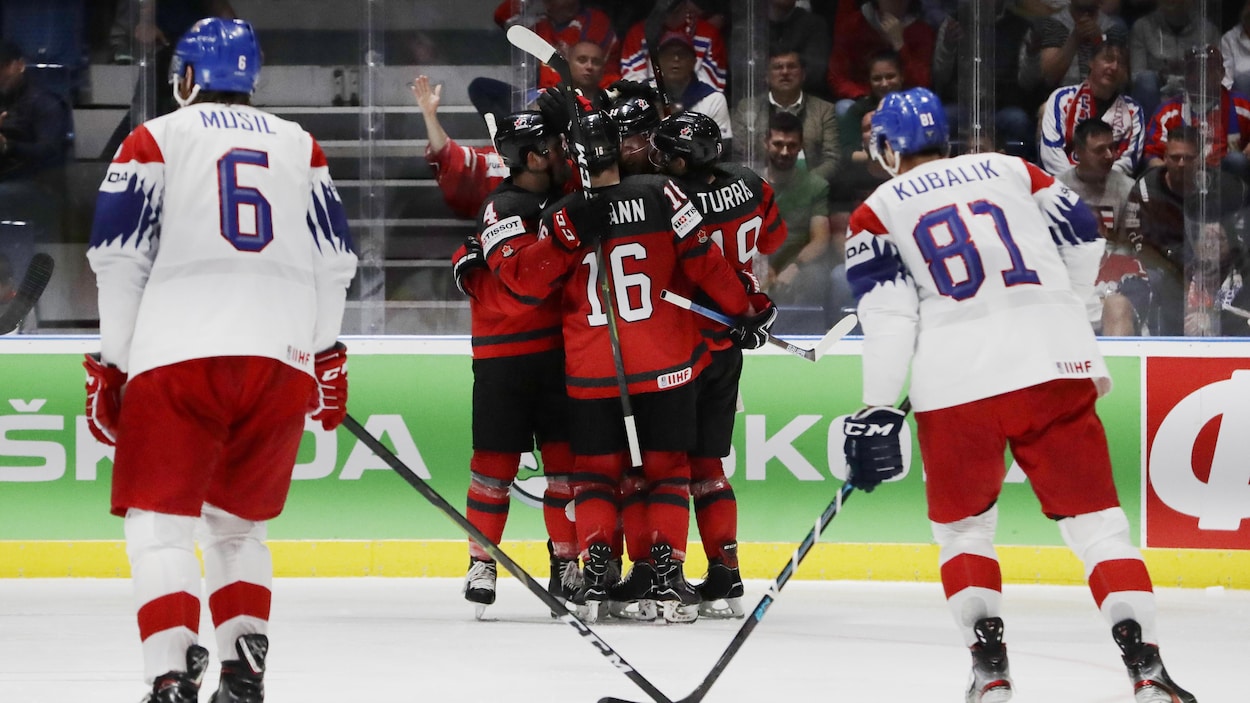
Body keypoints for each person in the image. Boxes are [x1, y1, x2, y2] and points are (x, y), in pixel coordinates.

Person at [842, 87, 1197, 702]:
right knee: (1099, 530)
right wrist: (1074, 304)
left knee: (965, 534)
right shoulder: (1011, 168)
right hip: (1054, 363)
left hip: (955, 384)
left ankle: (991, 670)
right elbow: (1084, 230)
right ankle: (1146, 669)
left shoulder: (876, 210)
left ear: (890, 148)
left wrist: (877, 407)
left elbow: (891, 320)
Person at [84, 18, 357, 703]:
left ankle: (172, 669)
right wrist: (325, 355)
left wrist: (112, 364)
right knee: (238, 525)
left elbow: (119, 255)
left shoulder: (155, 138)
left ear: (186, 77)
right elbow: (336, 262)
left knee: (159, 521)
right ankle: (243, 657)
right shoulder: (303, 146)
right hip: (281, 358)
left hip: (178, 351)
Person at [493, 109, 775, 623]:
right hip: (667, 362)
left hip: (592, 368)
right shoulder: (662, 194)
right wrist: (746, 311)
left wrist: (558, 235)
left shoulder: (561, 211)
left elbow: (527, 284)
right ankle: (667, 570)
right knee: (668, 473)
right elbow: (706, 262)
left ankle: (598, 563)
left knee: (596, 474)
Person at [649, 110, 787, 618]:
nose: (659, 158)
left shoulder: (668, 197)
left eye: (668, 151)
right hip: (732, 337)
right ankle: (725, 569)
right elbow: (771, 240)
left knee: (669, 467)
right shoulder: (752, 183)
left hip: (683, 343)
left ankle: (670, 578)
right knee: (709, 465)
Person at [449, 109, 581, 616]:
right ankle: (481, 560)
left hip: (558, 355)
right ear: (532, 156)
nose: (562, 151)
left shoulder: (556, 198)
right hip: (506, 359)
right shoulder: (505, 205)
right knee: (494, 469)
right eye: (552, 145)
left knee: (565, 470)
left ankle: (566, 559)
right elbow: (522, 291)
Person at [1122, 125, 1250, 335]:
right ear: (1164, 157)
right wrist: (1174, 259)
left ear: (1200, 159)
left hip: (1216, 264)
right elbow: (1135, 237)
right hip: (1167, 267)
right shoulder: (1146, 188)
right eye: (1175, 157)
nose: (1181, 163)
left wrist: (1231, 243)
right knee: (1152, 278)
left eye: (1188, 158)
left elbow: (1244, 213)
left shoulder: (1220, 183)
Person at [1057, 119, 1148, 335]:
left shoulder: (1127, 188)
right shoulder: (1057, 188)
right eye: (1100, 150)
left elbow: (1129, 246)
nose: (1109, 156)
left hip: (1112, 274)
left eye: (1112, 148)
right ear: (1078, 151)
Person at [0, 38, 72, 287]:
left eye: (2, 68)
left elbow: (49, 152)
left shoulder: (45, 102)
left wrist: (9, 145)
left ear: (18, 65)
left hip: (38, 186)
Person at [762, 111, 833, 331]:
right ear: (766, 143)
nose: (785, 152)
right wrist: (762, 265)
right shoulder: (751, 183)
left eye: (792, 145)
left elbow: (820, 240)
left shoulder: (816, 185)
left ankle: (801, 338)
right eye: (778, 144)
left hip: (799, 263)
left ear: (800, 146)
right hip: (759, 261)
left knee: (814, 277)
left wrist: (794, 266)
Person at [1038, 37, 1145, 177]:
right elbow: (1051, 149)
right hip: (1063, 184)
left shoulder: (1133, 110)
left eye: (1121, 63)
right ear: (1091, 62)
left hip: (1108, 187)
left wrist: (1097, 182)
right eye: (1108, 59)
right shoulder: (1062, 98)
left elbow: (1128, 160)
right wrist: (1076, 182)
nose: (1114, 67)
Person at [731, 47, 840, 182]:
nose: (785, 72)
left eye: (792, 67)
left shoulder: (824, 110)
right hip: (760, 189)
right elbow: (738, 156)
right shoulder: (747, 107)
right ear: (766, 76)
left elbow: (832, 159)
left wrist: (806, 184)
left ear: (803, 74)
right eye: (778, 67)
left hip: (808, 191)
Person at [1141, 45, 1250, 180]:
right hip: (1183, 184)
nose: (1200, 76)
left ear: (1221, 73)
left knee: (1237, 160)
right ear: (1185, 75)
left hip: (1226, 183)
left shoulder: (1241, 105)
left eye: (1208, 69)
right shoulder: (1168, 112)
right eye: (1194, 70)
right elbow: (1152, 156)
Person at [411, 74, 509, 220]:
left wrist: (430, 116)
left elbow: (445, 154)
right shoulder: (492, 172)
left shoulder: (486, 169)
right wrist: (429, 116)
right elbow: (444, 152)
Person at [824, 0, 936, 114]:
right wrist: (865, 96)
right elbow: (837, 76)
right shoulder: (853, 25)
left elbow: (921, 84)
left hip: (906, 102)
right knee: (844, 107)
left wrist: (900, 44)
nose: (896, 3)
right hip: (863, 97)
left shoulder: (922, 31)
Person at [1128, 0, 1219, 119]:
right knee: (1146, 80)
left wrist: (1191, 72)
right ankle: (1150, 133)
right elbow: (1136, 76)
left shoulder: (1208, 30)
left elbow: (1217, 75)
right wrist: (1161, 75)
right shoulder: (1142, 27)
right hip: (1158, 93)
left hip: (1193, 92)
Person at [619, 0, 729, 95]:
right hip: (653, 111)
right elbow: (632, 88)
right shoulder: (637, 34)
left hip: (695, 112)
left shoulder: (709, 34)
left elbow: (711, 94)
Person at [651, 30, 732, 139]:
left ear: (693, 61)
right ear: (658, 61)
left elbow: (721, 148)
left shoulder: (713, 99)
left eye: (682, 54)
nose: (676, 59)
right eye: (668, 54)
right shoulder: (644, 95)